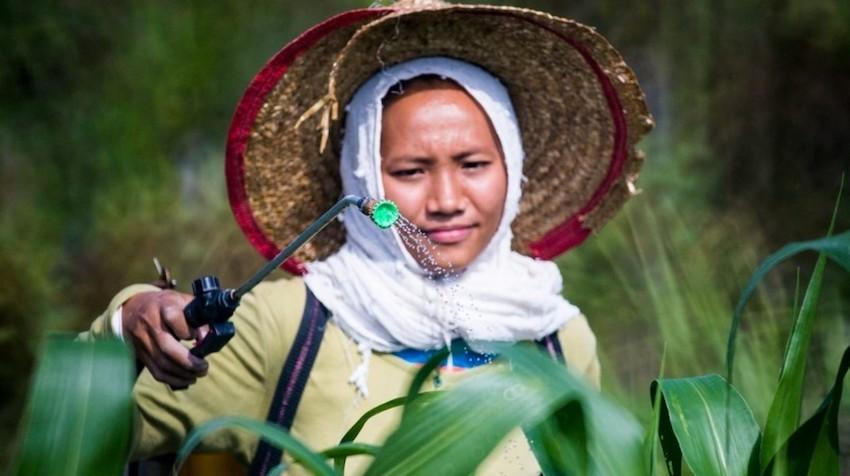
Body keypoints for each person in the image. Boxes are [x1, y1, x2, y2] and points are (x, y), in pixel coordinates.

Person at [81, 0, 653, 474]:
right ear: (361, 180)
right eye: (408, 172)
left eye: (474, 164)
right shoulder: (286, 326)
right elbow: (77, 433)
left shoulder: (555, 337)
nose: (447, 200)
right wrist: (129, 321)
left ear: (514, 167)